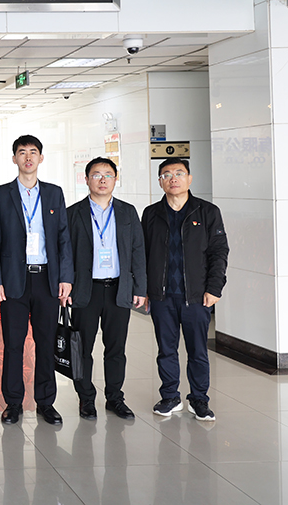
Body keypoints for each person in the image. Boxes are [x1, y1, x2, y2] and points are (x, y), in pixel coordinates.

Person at [0, 134, 73, 426]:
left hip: (47, 279)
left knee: (46, 342)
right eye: (22, 152)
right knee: (13, 343)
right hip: (14, 280)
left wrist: (65, 277)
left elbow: (63, 238)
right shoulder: (1, 194)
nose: (28, 157)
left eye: (33, 152)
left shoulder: (53, 193)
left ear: (41, 158)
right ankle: (13, 402)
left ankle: (46, 402)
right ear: (14, 158)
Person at [142, 157, 228, 422]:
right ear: (160, 182)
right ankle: (170, 396)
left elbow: (219, 252)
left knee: (198, 350)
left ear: (189, 178)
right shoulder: (151, 214)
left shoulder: (207, 212)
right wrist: (144, 289)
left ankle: (199, 399)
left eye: (179, 173)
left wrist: (214, 287)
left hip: (197, 295)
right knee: (166, 350)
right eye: (166, 174)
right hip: (162, 296)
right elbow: (142, 255)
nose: (173, 179)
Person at [66, 157, 147, 421]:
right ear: (86, 179)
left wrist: (140, 287)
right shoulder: (73, 213)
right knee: (82, 349)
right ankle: (86, 398)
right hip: (85, 291)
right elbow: (64, 254)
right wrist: (64, 287)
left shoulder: (127, 212)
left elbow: (138, 251)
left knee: (116, 349)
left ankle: (115, 398)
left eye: (108, 175)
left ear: (115, 179)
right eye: (96, 174)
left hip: (118, 289)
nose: (102, 180)